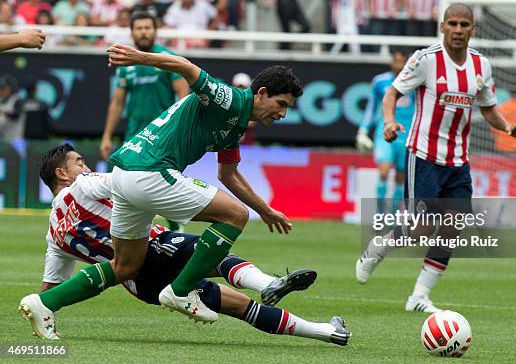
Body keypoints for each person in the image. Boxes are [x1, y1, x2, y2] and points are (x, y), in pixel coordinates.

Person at [20, 43, 304, 332]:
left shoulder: (236, 125)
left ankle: (45, 303)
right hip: (150, 172)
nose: (282, 114)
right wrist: (141, 58)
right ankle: (181, 291)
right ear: (262, 93)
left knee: (125, 267)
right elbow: (186, 66)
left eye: (287, 109)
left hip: (123, 176)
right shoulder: (229, 99)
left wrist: (265, 210)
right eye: (281, 104)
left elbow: (228, 175)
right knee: (235, 215)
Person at [19, 144, 350, 346]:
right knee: (217, 249)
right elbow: (126, 181)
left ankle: (326, 332)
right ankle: (269, 283)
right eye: (79, 162)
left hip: (139, 285)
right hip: (155, 248)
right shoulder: (85, 186)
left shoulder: (55, 233)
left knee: (237, 305)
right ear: (62, 173)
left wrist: (46, 309)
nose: (86, 166)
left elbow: (53, 283)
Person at [355, 3, 516, 313]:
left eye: (464, 24)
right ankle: (379, 245)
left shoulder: (481, 66)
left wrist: (507, 126)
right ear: (443, 26)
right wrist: (390, 122)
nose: (458, 30)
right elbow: (392, 93)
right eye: (453, 24)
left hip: (458, 160)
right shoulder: (425, 60)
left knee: (454, 225)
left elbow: (487, 106)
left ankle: (419, 296)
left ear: (473, 29)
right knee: (421, 228)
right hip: (424, 155)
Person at [100, 11, 188, 232]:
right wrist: (107, 136)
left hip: (163, 135)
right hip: (133, 136)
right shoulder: (126, 62)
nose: (143, 32)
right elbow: (117, 103)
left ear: (155, 30)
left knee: (164, 185)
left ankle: (176, 231)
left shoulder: (168, 58)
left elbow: (184, 96)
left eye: (147, 27)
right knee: (118, 186)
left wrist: (180, 131)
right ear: (132, 32)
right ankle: (118, 233)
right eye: (139, 28)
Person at [355, 50, 414, 215]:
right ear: (391, 62)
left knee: (401, 177)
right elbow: (371, 107)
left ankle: (393, 215)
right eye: (396, 61)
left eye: (402, 61)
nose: (398, 65)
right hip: (385, 131)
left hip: (407, 134)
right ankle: (380, 214)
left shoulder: (414, 82)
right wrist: (363, 130)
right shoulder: (380, 82)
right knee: (384, 170)